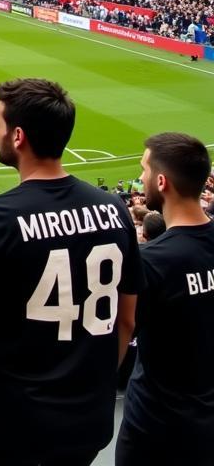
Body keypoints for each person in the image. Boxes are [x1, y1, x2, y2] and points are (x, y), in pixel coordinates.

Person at [0, 79, 141, 466]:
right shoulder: (114, 209)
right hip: (86, 416)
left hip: (6, 418)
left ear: (18, 136)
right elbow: (126, 319)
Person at [115, 133, 214, 465]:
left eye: (143, 169)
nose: (141, 178)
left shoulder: (151, 261)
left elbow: (121, 334)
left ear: (161, 180)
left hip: (156, 430)